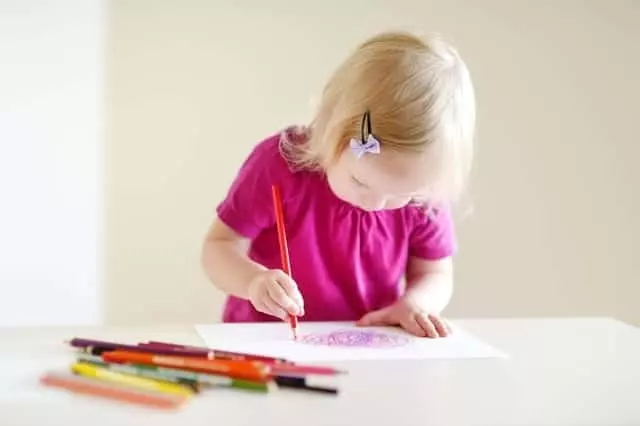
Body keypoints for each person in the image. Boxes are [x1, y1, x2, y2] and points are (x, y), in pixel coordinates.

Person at [201, 31, 475, 338]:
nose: (375, 204)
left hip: (368, 347)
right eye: (360, 181)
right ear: (332, 131)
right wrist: (252, 281)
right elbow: (218, 247)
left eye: (402, 194)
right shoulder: (279, 165)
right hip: (266, 341)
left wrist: (416, 302)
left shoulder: (423, 194)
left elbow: (434, 272)